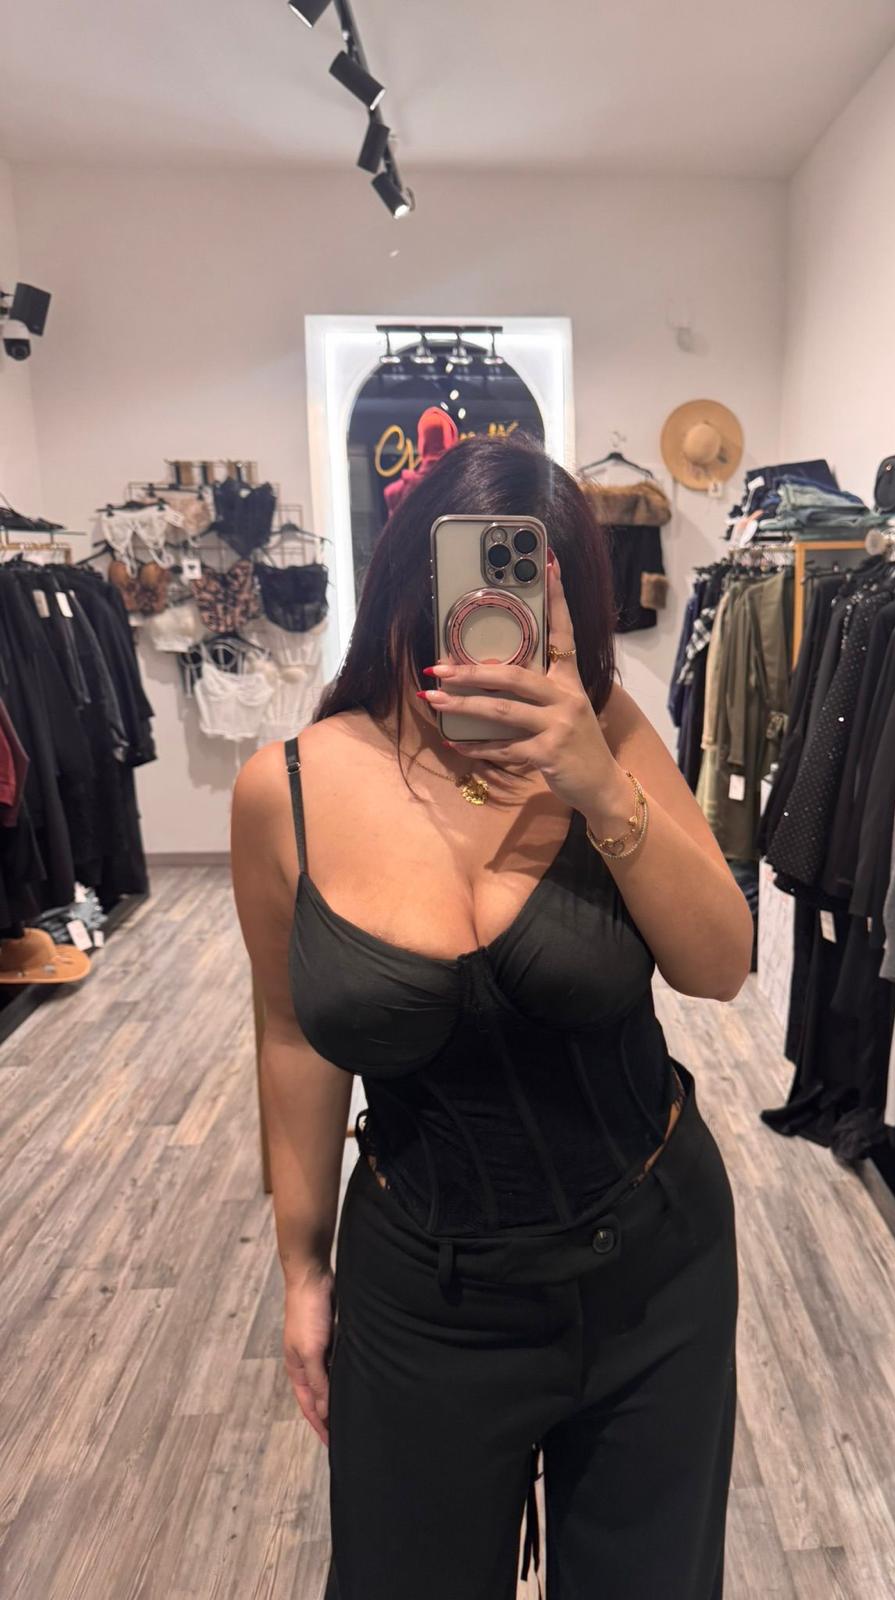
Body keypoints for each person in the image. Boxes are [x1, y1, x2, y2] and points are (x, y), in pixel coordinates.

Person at [230, 433, 752, 1599]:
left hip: (654, 1272)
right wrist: (301, 1267)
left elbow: (721, 965)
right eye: (454, 592)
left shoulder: (607, 734)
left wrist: (598, 784)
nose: (478, 625)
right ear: (401, 587)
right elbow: (291, 1032)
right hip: (424, 1297)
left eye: (514, 596)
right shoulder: (288, 788)